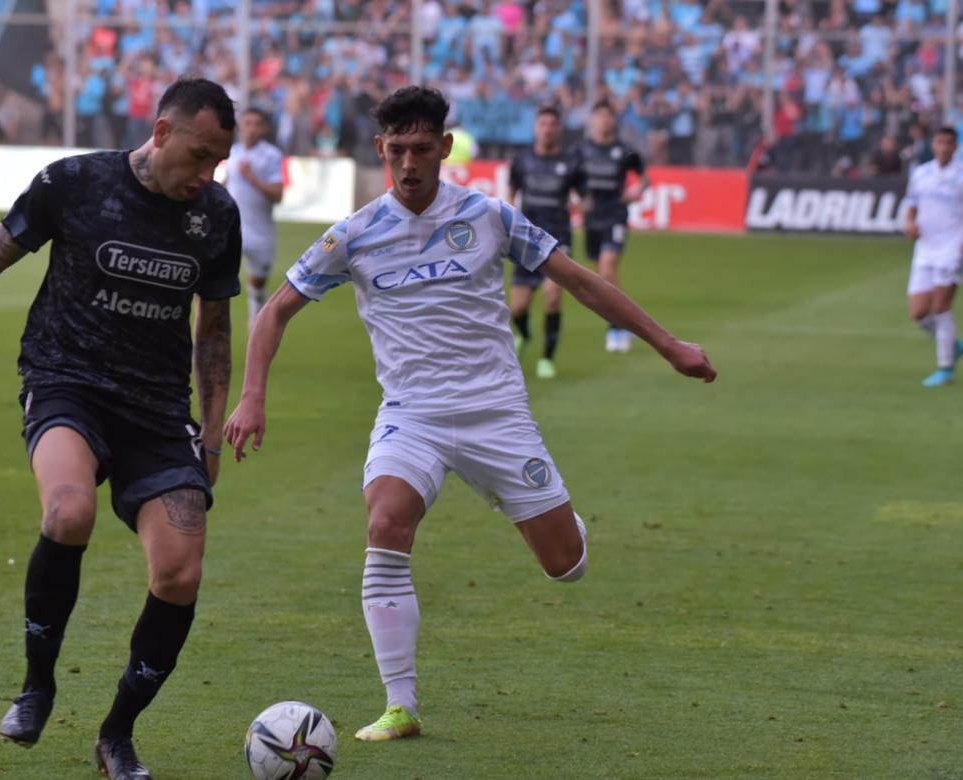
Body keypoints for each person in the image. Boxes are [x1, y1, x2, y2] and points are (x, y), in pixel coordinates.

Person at [224, 86, 716, 743]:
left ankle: (554, 516)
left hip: (495, 414)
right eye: (396, 150)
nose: (408, 163)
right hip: (412, 416)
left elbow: (582, 281)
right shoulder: (355, 233)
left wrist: (670, 346)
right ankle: (401, 705)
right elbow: (276, 308)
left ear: (445, 148)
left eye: (421, 149)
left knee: (566, 565)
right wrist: (253, 395)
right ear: (379, 149)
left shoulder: (489, 216)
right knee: (386, 521)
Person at [0, 77, 241, 780]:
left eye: (220, 161)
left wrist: (209, 433)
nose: (208, 174)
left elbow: (214, 329)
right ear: (161, 132)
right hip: (67, 383)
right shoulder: (76, 182)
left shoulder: (217, 214)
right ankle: (37, 685)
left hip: (156, 409)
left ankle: (117, 733)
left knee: (179, 572)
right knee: (68, 509)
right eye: (201, 155)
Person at [570, 99, 651, 353]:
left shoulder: (624, 150)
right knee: (602, 277)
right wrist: (577, 201)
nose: (605, 120)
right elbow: (568, 180)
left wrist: (636, 192)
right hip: (592, 218)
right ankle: (628, 320)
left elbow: (645, 178)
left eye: (609, 116)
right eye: (600, 115)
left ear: (614, 120)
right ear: (592, 120)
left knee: (607, 268)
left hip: (615, 214)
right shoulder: (580, 151)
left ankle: (616, 327)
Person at [507, 104, 580, 379]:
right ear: (536, 128)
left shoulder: (572, 162)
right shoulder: (522, 161)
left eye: (552, 124)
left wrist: (584, 204)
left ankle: (547, 359)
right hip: (526, 239)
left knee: (552, 296)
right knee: (519, 308)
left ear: (559, 129)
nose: (547, 129)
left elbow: (583, 196)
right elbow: (510, 194)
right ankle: (524, 334)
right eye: (543, 124)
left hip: (558, 240)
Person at [904, 125, 963, 387]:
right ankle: (952, 344)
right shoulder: (921, 173)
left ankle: (945, 368)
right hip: (925, 248)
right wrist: (910, 224)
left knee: (941, 307)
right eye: (940, 142)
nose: (944, 147)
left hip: (952, 247)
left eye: (949, 143)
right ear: (933, 145)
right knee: (918, 313)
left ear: (955, 147)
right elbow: (912, 204)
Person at [225, 107, 286, 328]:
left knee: (258, 283)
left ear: (264, 128)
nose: (250, 129)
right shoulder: (232, 152)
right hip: (231, 230)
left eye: (256, 124)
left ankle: (256, 325)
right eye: (247, 123)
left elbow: (278, 195)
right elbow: (227, 185)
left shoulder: (271, 155)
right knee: (216, 283)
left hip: (260, 231)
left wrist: (251, 177)